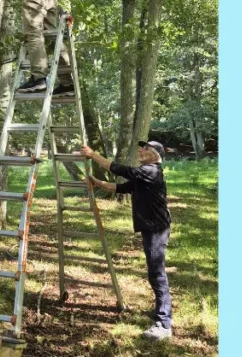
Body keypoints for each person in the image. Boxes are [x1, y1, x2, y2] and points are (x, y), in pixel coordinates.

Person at [81, 140, 173, 341]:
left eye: (145, 148)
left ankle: (164, 324)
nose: (140, 150)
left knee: (157, 274)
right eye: (140, 147)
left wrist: (93, 154)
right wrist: (98, 183)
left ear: (156, 154)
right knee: (154, 273)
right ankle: (161, 310)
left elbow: (120, 170)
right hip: (152, 228)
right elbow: (122, 188)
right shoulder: (144, 174)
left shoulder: (151, 171)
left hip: (156, 229)